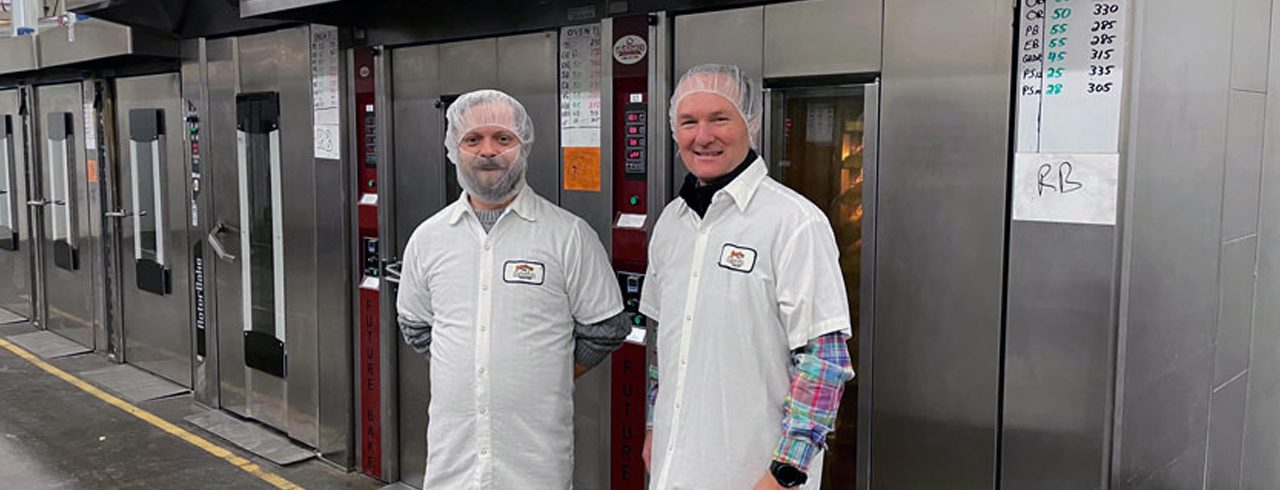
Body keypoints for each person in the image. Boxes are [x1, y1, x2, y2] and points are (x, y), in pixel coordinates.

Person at [396, 89, 631, 489]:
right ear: (454, 149)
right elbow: (416, 326)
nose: (488, 151)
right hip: (453, 465)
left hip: (534, 465)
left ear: (524, 147)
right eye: (473, 139)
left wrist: (550, 371)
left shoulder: (568, 235)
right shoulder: (429, 238)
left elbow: (606, 328)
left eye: (503, 138)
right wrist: (474, 364)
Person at [640, 65, 856, 489]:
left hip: (758, 473)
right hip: (674, 465)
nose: (703, 136)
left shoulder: (793, 222)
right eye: (689, 122)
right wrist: (653, 427)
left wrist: (785, 472)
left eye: (720, 118)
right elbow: (661, 343)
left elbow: (824, 360)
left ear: (750, 123)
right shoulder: (672, 222)